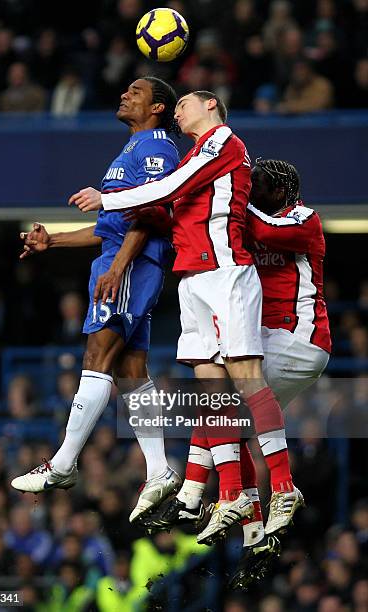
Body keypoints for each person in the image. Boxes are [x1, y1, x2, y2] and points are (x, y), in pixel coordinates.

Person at [72, 91, 304, 543]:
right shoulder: (197, 151)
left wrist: (109, 199)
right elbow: (165, 205)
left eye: (183, 105)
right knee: (212, 390)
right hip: (192, 280)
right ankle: (236, 497)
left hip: (225, 274)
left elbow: (169, 190)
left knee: (246, 378)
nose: (176, 111)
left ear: (211, 104)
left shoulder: (224, 142)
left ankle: (282, 485)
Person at [145, 158, 331, 589]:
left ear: (283, 189)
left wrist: (228, 196)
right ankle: (253, 529)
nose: (250, 186)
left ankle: (206, 490)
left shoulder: (303, 217)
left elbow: (264, 231)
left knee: (219, 382)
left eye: (258, 183)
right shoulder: (237, 226)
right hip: (269, 341)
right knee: (222, 406)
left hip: (298, 338)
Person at [11, 77, 182, 524]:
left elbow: (151, 213)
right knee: (130, 370)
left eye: (136, 92)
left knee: (96, 355)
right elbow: (111, 226)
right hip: (123, 262)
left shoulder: (157, 150)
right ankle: (160, 468)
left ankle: (64, 464)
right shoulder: (133, 148)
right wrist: (54, 242)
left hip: (130, 266)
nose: (125, 95)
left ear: (159, 107)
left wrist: (120, 266)